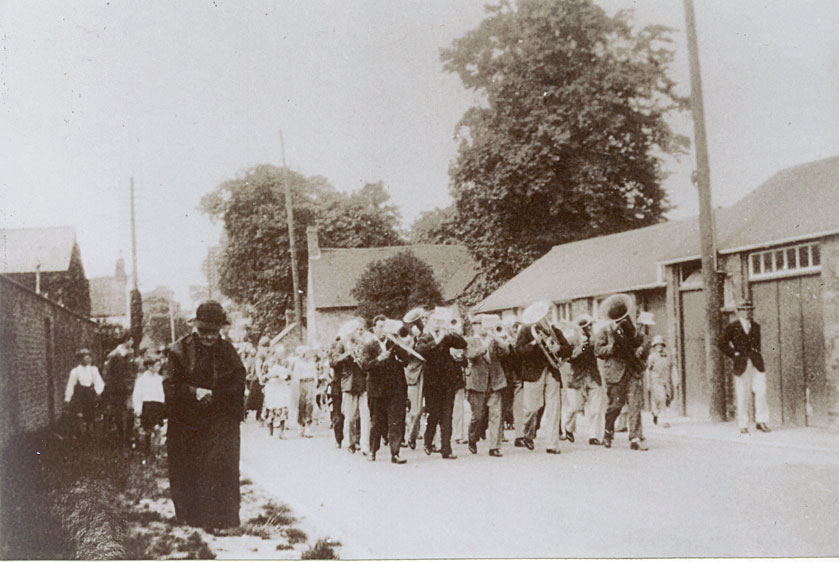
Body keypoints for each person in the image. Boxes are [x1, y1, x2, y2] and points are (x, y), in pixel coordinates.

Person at [164, 300, 246, 529]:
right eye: (204, 331)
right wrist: (195, 392)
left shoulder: (228, 351)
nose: (209, 336)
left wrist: (216, 395)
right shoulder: (179, 350)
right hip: (187, 419)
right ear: (196, 328)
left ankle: (223, 520)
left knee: (220, 466)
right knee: (187, 466)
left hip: (220, 418)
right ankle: (192, 518)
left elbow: (239, 382)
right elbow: (170, 386)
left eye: (214, 331)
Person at [515, 302, 572, 454]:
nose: (545, 317)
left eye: (547, 314)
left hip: (552, 372)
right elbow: (518, 351)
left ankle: (552, 444)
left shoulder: (554, 331)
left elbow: (568, 350)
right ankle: (528, 434)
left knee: (554, 408)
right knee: (531, 409)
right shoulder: (526, 330)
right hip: (533, 373)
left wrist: (558, 348)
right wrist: (535, 343)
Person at [595, 294, 648, 451]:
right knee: (615, 406)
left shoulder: (632, 329)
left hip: (632, 371)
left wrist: (641, 349)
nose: (621, 319)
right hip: (615, 373)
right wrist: (612, 348)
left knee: (635, 405)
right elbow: (598, 350)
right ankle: (608, 433)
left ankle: (635, 438)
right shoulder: (605, 331)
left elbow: (645, 341)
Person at [416, 309, 468, 459]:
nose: (438, 324)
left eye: (440, 321)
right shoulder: (424, 337)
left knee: (447, 416)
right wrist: (439, 339)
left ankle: (446, 449)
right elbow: (421, 350)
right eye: (435, 321)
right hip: (432, 383)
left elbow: (462, 343)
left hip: (447, 382)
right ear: (429, 323)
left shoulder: (446, 336)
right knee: (433, 414)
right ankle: (428, 441)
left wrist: (452, 332)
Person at [362, 315, 410, 464]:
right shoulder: (369, 346)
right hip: (377, 391)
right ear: (374, 329)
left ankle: (395, 453)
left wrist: (398, 341)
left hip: (394, 390)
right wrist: (379, 359)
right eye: (380, 327)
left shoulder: (394, 343)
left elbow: (406, 360)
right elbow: (365, 365)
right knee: (377, 422)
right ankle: (372, 451)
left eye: (385, 326)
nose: (383, 330)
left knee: (395, 422)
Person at [720, 299, 771, 435]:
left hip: (756, 364)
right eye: (744, 309)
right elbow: (721, 343)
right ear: (739, 311)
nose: (747, 312)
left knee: (761, 391)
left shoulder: (756, 326)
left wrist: (756, 356)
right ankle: (743, 424)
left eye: (749, 309)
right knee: (743, 395)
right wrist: (734, 353)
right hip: (741, 365)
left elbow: (757, 346)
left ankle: (761, 421)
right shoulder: (732, 327)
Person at [465, 316, 508, 457]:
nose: (485, 327)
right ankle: (472, 437)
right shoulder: (470, 341)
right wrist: (485, 345)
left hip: (495, 382)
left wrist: (496, 338)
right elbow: (471, 355)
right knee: (477, 416)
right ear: (474, 326)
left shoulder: (493, 339)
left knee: (496, 415)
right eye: (481, 324)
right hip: (477, 383)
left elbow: (506, 351)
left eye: (486, 324)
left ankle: (494, 447)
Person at [562, 314, 605, 445]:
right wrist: (580, 348)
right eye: (585, 326)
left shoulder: (594, 339)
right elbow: (568, 358)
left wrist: (592, 343)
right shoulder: (571, 340)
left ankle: (593, 436)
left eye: (589, 326)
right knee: (574, 407)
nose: (588, 328)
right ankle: (568, 427)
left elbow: (600, 352)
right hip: (577, 378)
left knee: (595, 410)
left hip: (593, 377)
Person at [64, 348, 105, 439]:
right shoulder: (75, 371)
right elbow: (70, 385)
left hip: (90, 394)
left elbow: (99, 381)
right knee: (79, 413)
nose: (88, 359)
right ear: (80, 359)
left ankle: (90, 432)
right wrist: (67, 398)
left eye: (89, 357)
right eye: (85, 357)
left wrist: (98, 392)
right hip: (80, 394)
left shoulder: (93, 370)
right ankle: (80, 432)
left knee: (91, 413)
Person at [132, 354, 166, 461]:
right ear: (150, 367)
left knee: (157, 430)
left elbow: (162, 393)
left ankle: (155, 453)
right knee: (148, 430)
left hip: (158, 406)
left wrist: (164, 405)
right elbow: (137, 395)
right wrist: (138, 409)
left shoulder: (160, 379)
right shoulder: (142, 379)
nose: (159, 367)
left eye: (160, 365)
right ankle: (147, 451)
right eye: (157, 365)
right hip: (147, 406)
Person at [401, 308, 426, 450]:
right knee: (415, 410)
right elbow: (405, 356)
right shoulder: (408, 338)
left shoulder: (425, 336)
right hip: (413, 375)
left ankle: (430, 440)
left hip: (427, 374)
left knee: (428, 409)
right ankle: (411, 435)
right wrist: (412, 342)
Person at [102, 339, 135, 446]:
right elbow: (106, 374)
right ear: (127, 340)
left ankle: (129, 436)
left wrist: (131, 383)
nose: (132, 342)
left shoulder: (130, 354)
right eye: (131, 340)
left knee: (130, 411)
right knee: (118, 413)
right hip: (117, 390)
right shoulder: (113, 355)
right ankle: (120, 437)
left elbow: (132, 371)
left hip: (129, 389)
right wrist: (112, 387)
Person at [646, 336, 676, 428]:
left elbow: (672, 367)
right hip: (656, 380)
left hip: (666, 380)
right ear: (654, 346)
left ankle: (655, 413)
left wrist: (675, 379)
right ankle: (664, 420)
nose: (659, 347)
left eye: (661, 345)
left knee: (666, 398)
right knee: (662, 398)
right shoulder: (652, 357)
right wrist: (648, 382)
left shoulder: (668, 356)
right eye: (657, 345)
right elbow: (648, 370)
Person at [289, 347, 317, 438]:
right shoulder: (298, 363)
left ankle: (308, 428)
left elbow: (315, 374)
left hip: (310, 383)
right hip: (301, 383)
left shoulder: (312, 363)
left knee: (310, 404)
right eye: (308, 353)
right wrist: (296, 389)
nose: (309, 354)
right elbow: (296, 376)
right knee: (301, 404)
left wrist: (315, 385)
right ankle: (300, 426)